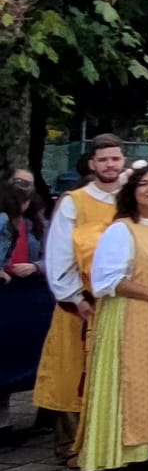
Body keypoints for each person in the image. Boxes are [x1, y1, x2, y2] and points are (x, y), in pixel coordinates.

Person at [76, 161, 148, 471]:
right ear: (131, 192)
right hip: (130, 316)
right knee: (131, 384)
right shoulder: (121, 230)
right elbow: (107, 280)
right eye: (143, 184)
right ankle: (122, 458)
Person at [36, 133, 124, 461]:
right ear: (92, 164)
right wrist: (74, 296)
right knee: (72, 371)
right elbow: (60, 253)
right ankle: (69, 444)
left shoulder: (131, 197)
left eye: (115, 158)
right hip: (83, 303)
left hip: (122, 300)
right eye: (103, 160)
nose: (110, 165)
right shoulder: (76, 201)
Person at [0, 176, 53, 432]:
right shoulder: (2, 222)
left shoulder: (38, 225)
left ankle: (45, 413)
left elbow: (52, 256)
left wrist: (34, 267)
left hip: (32, 298)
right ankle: (3, 421)